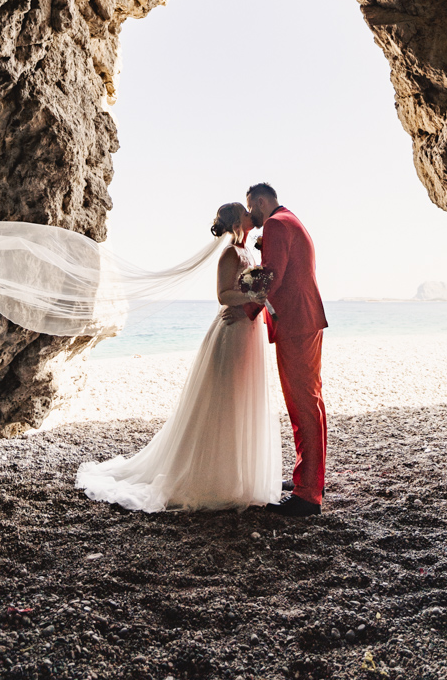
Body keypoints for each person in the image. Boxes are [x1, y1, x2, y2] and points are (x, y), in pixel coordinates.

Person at [74, 202, 281, 512]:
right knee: (226, 400)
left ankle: (241, 475)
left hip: (249, 330)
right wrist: (252, 296)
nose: (253, 216)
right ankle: (213, 477)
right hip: (232, 330)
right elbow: (223, 295)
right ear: (239, 221)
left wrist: (258, 296)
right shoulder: (229, 254)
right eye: (246, 213)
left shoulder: (248, 251)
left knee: (244, 397)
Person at [222, 183, 327, 516]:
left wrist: (246, 310)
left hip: (296, 322)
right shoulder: (288, 220)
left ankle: (307, 495)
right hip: (304, 320)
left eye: (252, 208)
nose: (251, 215)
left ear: (262, 202)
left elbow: (273, 276)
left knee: (302, 406)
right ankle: (309, 479)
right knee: (310, 401)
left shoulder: (278, 224)